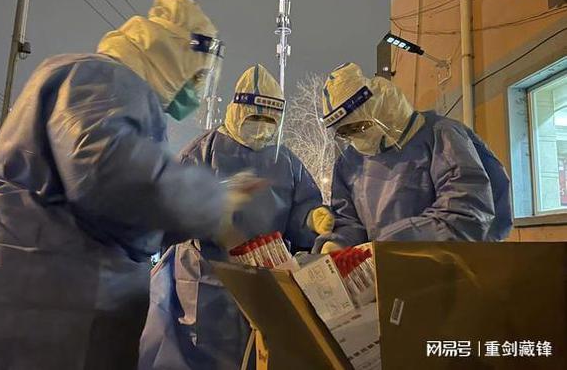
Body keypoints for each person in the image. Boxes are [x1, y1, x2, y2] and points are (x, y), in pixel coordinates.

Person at [0, 0, 253, 370]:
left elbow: (130, 212)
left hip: (41, 295)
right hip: (28, 296)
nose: (196, 90)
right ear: (168, 56)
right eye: (195, 75)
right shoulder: (102, 78)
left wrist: (195, 209)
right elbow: (110, 175)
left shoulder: (125, 97)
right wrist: (209, 201)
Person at [139, 64, 324, 370]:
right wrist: (213, 206)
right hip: (206, 278)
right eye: (255, 119)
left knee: (258, 353)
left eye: (270, 121)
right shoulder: (202, 152)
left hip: (264, 276)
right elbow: (170, 212)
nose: (262, 128)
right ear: (238, 111)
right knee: (204, 353)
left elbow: (301, 207)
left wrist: (312, 218)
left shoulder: (285, 161)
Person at [315, 62, 512, 253]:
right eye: (346, 132)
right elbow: (349, 220)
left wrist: (392, 245)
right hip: (384, 269)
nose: (356, 137)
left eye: (360, 126)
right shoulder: (350, 163)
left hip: (448, 267)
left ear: (380, 108)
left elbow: (465, 214)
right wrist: (339, 242)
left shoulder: (442, 136)